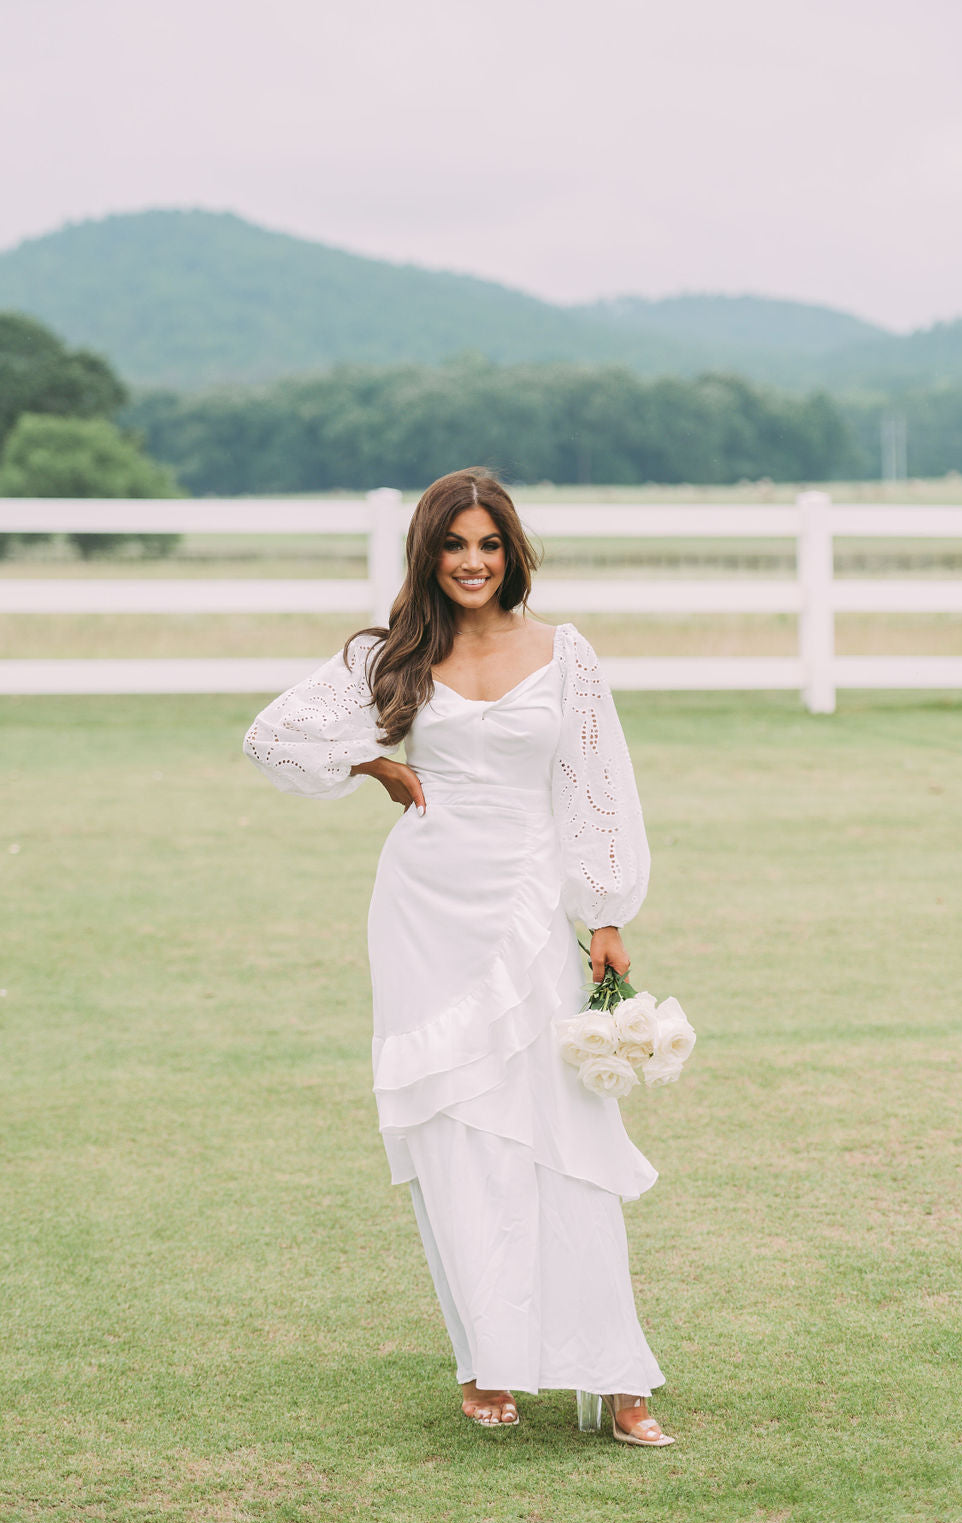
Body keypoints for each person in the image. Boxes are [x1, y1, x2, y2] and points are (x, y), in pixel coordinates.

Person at [243, 467, 673, 1447]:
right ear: (427, 553)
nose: (471, 562)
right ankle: (486, 1360)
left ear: (511, 553)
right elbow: (273, 737)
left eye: (487, 544)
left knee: (563, 1129)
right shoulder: (389, 654)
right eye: (452, 544)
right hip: (424, 913)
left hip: (528, 906)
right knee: (455, 1134)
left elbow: (596, 784)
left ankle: (614, 1370)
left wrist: (605, 914)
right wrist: (373, 762)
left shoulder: (565, 654)